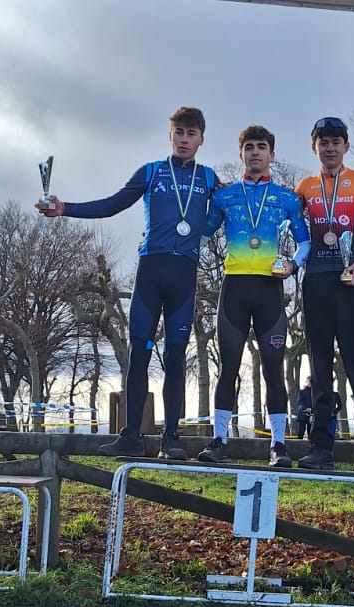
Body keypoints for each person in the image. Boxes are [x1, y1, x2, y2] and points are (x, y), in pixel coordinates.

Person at [35, 106, 218, 460]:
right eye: (179, 132)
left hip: (184, 275)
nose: (184, 139)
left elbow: (232, 209)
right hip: (151, 271)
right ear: (171, 135)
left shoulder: (210, 178)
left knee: (177, 356)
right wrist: (64, 208)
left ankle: (172, 439)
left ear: (201, 140)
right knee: (139, 354)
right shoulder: (150, 172)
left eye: (191, 134)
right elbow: (113, 204)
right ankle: (131, 435)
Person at [198, 125, 310, 469]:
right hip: (234, 288)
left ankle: (278, 445)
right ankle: (219, 440)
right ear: (241, 153)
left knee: (274, 369)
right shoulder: (224, 196)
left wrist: (292, 264)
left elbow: (305, 241)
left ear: (271, 154)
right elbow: (201, 235)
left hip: (269, 290)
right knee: (227, 367)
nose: (255, 152)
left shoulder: (288, 198)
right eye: (249, 147)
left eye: (262, 147)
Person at [295, 116, 354, 476]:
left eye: (336, 141)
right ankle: (321, 447)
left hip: (352, 281)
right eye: (323, 142)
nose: (330, 148)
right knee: (319, 370)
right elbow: (286, 222)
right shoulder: (304, 186)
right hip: (316, 281)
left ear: (346, 147)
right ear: (314, 147)